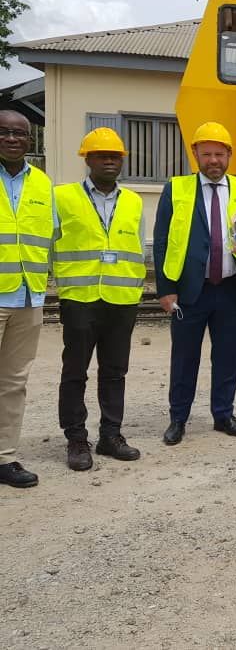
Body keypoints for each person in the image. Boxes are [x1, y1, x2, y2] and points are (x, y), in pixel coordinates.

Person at [153, 121, 236, 445]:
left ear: (229, 155)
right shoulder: (176, 189)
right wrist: (165, 289)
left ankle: (223, 414)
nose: (213, 160)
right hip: (191, 291)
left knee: (228, 356)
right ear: (195, 154)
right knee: (185, 358)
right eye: (207, 154)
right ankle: (178, 419)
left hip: (231, 289)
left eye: (219, 154)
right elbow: (161, 241)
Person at [53, 128, 146, 471]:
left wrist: (135, 291)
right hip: (80, 299)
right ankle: (77, 439)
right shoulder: (62, 197)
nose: (109, 160)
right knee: (75, 371)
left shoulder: (134, 201)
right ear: (87, 159)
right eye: (101, 155)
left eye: (115, 155)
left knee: (114, 372)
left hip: (121, 301)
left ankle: (111, 435)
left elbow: (136, 248)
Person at [0, 111, 55, 489]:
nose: (12, 138)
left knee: (13, 382)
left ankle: (4, 457)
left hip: (28, 296)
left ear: (30, 139)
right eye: (3, 132)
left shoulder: (42, 184)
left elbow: (48, 236)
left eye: (19, 133)